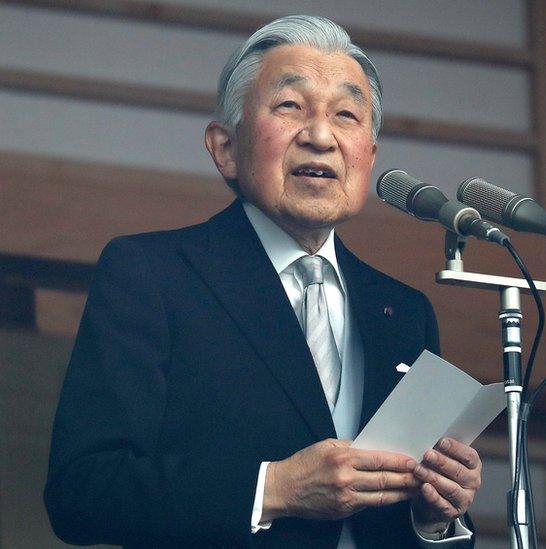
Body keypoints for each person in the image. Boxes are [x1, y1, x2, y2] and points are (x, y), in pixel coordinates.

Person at [45, 15, 481, 548]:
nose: (321, 136)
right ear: (225, 147)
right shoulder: (153, 273)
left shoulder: (403, 310)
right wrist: (273, 489)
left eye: (346, 114)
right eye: (290, 107)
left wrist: (435, 517)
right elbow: (82, 494)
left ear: (369, 157)